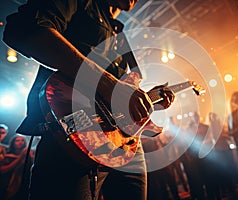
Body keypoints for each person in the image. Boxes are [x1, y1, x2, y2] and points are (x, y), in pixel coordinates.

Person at [2, 0, 175, 200]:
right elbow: (23, 28)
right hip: (74, 131)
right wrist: (107, 83)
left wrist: (146, 99)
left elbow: (122, 90)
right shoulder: (83, 3)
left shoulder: (119, 33)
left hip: (126, 142)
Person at [0, 135, 34, 200]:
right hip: (7, 183)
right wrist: (20, 157)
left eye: (22, 140)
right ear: (13, 142)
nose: (20, 142)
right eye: (17, 140)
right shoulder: (7, 156)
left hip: (23, 183)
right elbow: (3, 169)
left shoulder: (27, 156)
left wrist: (31, 156)